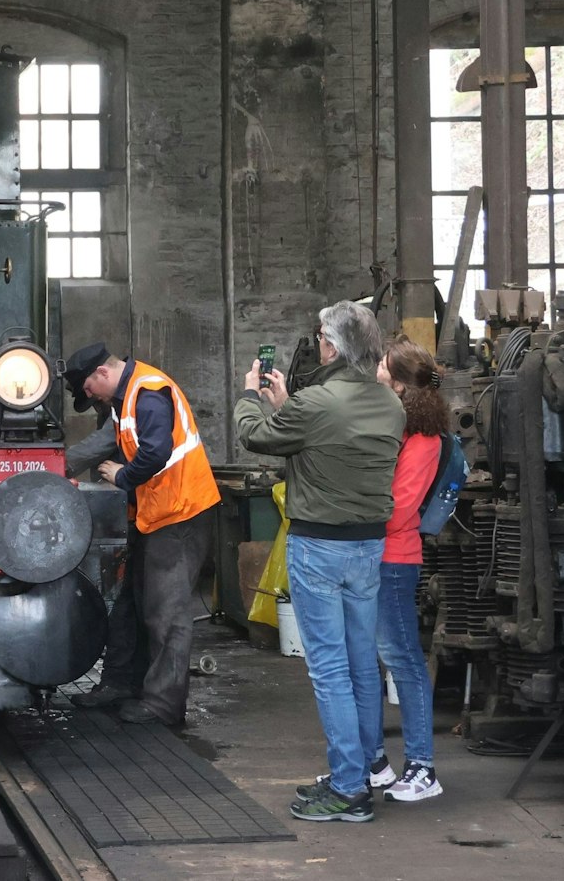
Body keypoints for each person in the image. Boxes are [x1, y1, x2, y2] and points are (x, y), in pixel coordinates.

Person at [236, 301, 403, 823]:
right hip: (367, 548)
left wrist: (250, 395)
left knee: (329, 669)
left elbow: (257, 436)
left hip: (320, 550)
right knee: (360, 664)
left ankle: (350, 789)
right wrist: (288, 402)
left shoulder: (316, 403)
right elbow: (320, 433)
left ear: (331, 346)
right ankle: (365, 768)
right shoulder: (390, 406)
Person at [59, 342, 221, 727]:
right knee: (131, 604)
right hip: (152, 515)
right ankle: (120, 684)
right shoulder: (123, 400)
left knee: (167, 614)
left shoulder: (148, 392)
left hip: (180, 514)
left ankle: (163, 705)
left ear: (102, 373)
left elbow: (156, 452)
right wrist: (54, 466)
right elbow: (106, 442)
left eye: (87, 390)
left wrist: (122, 476)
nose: (89, 398)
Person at [368, 338, 447, 802]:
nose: (375, 369)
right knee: (371, 660)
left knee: (403, 662)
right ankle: (375, 764)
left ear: (398, 383)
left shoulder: (422, 441)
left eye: (382, 365)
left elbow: (399, 511)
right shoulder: (399, 429)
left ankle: (422, 767)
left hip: (394, 560)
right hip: (373, 555)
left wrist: (353, 508)